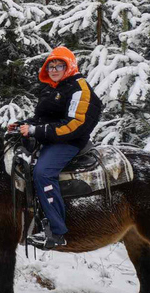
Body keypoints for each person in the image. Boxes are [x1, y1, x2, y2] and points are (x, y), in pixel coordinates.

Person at [8, 46, 102, 249]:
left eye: (60, 65)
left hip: (69, 142)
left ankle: (56, 232)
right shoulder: (53, 88)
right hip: (51, 139)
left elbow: (75, 125)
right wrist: (22, 125)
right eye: (51, 66)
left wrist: (35, 131)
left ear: (70, 66)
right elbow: (43, 118)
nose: (54, 69)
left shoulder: (79, 88)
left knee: (43, 172)